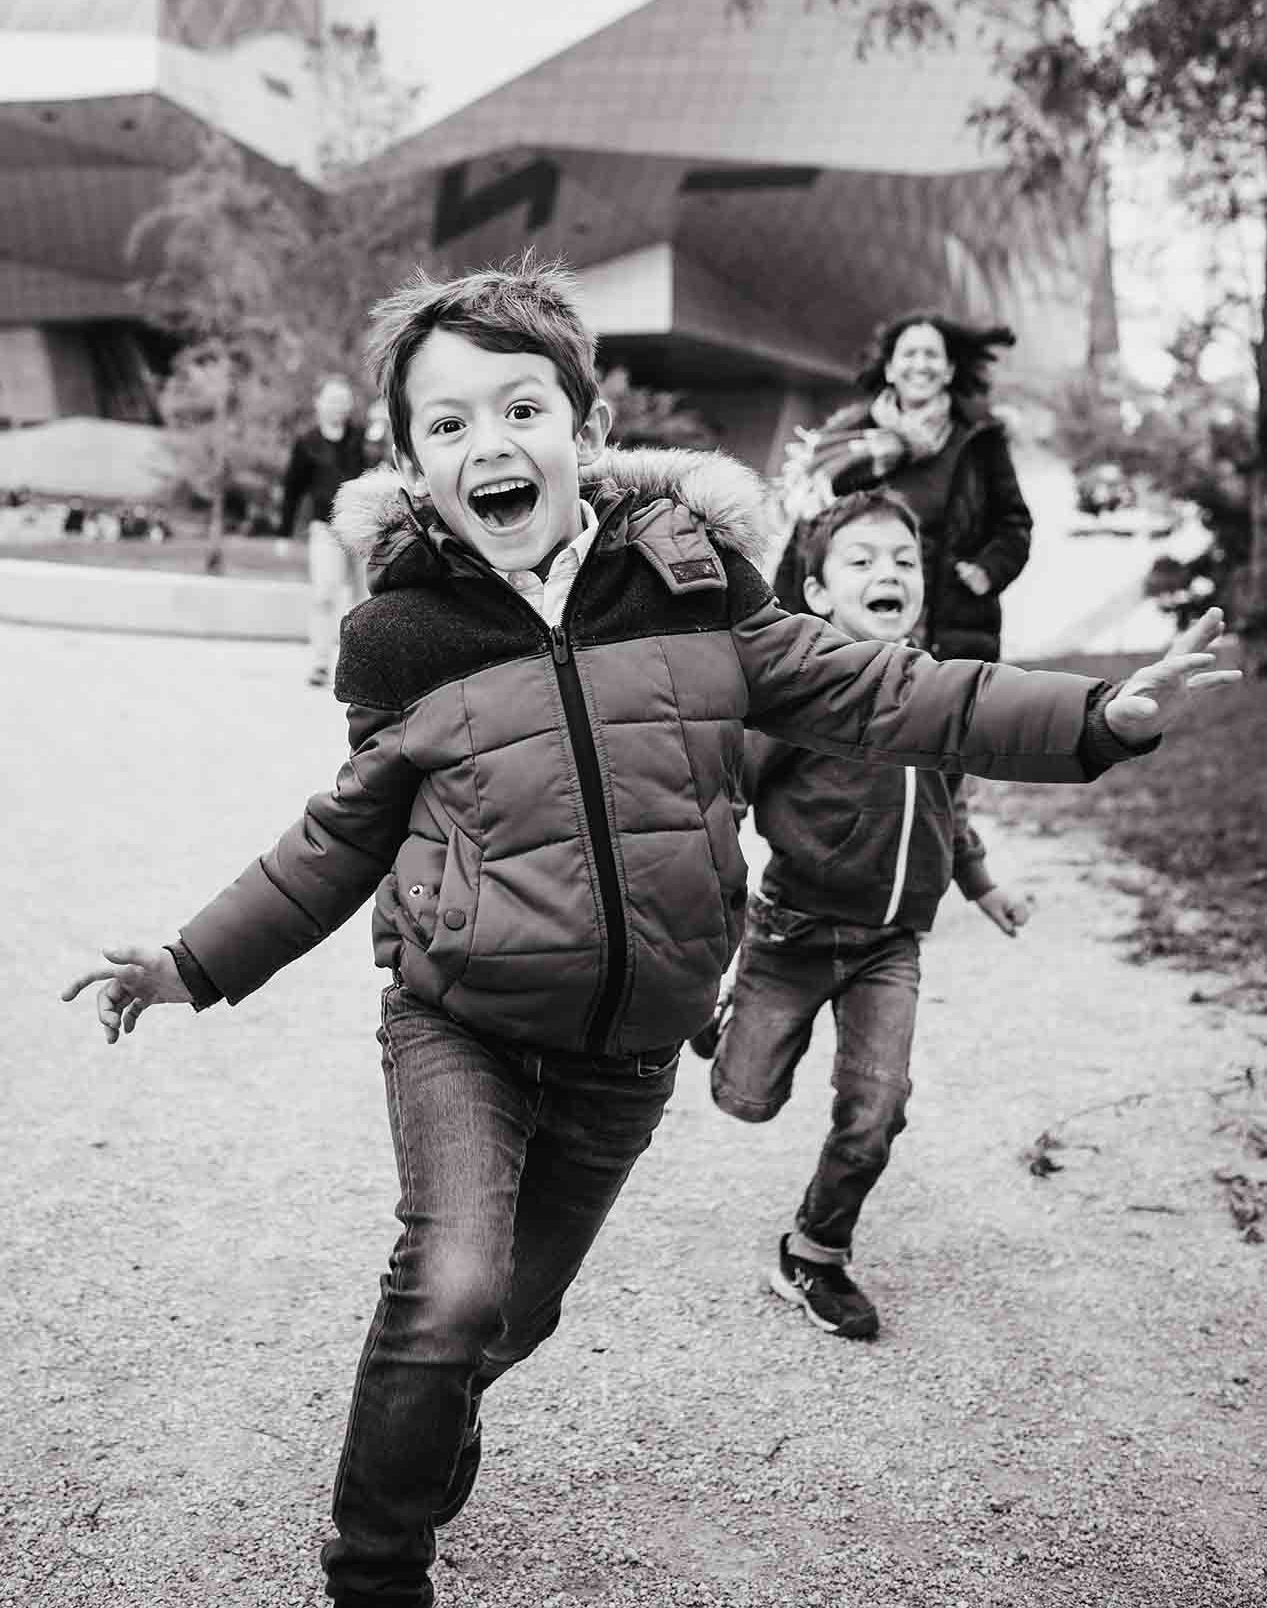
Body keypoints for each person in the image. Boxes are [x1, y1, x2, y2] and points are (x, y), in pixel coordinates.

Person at [60, 258, 1238, 1608]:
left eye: (519, 409)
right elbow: (340, 838)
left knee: (512, 1317)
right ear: (412, 462)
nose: (488, 445)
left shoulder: (692, 583)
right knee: (447, 1291)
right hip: (459, 1024)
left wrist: (1093, 721)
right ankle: (375, 1561)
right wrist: (187, 962)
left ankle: (437, 1410)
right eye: (446, 426)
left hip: (629, 1045)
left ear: (584, 429)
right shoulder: (398, 638)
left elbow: (879, 692)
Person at [694, 488, 1034, 1341]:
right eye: (861, 560)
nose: (888, 572)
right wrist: (708, 904)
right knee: (744, 1100)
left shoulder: (936, 693)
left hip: (890, 946)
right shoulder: (797, 699)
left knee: (877, 1107)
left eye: (902, 561)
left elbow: (948, 805)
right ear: (816, 594)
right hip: (791, 933)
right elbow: (727, 793)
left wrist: (981, 883)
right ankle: (732, 1016)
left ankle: (814, 1249)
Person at [776, 311, 1032, 661]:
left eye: (931, 355)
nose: (920, 364)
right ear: (889, 369)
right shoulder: (845, 441)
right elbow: (809, 536)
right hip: (857, 633)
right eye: (909, 354)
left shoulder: (979, 440)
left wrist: (987, 571)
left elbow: (1013, 524)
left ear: (949, 371)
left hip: (954, 632)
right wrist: (786, 624)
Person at [279, 374, 368, 687]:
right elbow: (292, 490)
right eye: (332, 400)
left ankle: (361, 667)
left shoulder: (361, 439)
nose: (338, 407)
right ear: (318, 403)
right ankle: (319, 662)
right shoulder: (307, 443)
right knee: (324, 594)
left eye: (344, 401)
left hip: (360, 527)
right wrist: (284, 533)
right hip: (325, 529)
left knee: (363, 599)